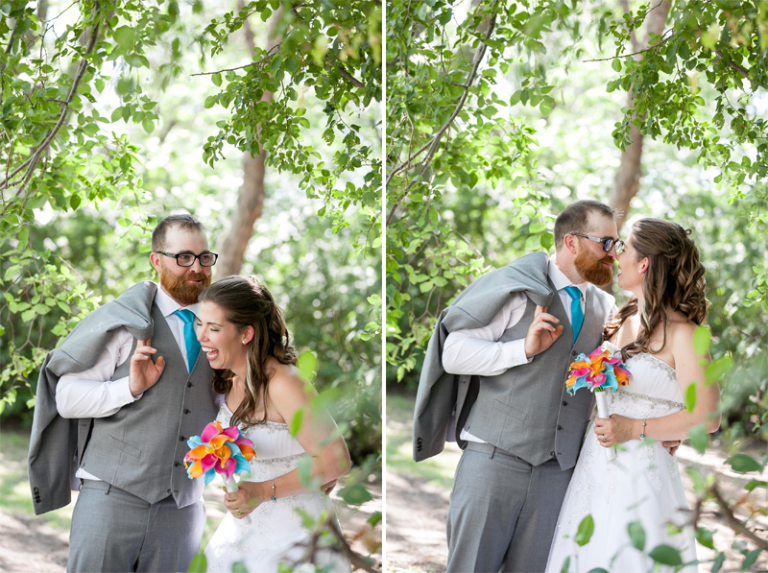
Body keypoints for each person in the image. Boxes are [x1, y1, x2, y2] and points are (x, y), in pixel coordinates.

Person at [412, 200, 681, 573]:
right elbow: (453, 352)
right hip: (493, 463)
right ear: (571, 242)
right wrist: (521, 349)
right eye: (605, 242)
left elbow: (625, 379)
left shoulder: (608, 310)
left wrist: (660, 426)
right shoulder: (517, 288)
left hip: (560, 476)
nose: (613, 254)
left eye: (618, 245)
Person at [28, 214, 220, 573]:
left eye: (204, 257)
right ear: (156, 260)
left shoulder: (220, 328)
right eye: (183, 257)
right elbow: (67, 398)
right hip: (111, 500)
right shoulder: (124, 323)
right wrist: (129, 387)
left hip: (184, 509)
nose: (196, 267)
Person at [545, 218, 720, 572]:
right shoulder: (620, 317)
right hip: (594, 468)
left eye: (623, 247)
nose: (615, 256)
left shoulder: (685, 334)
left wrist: (637, 429)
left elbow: (708, 417)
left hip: (642, 476)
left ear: (644, 264)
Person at [196, 275, 352, 572]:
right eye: (200, 324)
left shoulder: (284, 383)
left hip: (297, 539)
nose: (201, 336)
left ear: (246, 334)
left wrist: (262, 491)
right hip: (243, 536)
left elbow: (336, 458)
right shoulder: (227, 378)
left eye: (214, 328)